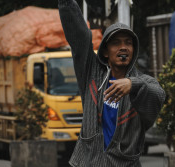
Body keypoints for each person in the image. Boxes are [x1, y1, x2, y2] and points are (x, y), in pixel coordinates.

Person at [58, 0, 165, 166]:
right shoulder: (91, 72)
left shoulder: (143, 82)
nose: (123, 47)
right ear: (106, 51)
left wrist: (132, 84)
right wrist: (66, 3)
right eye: (116, 43)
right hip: (87, 162)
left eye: (128, 43)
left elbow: (158, 94)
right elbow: (80, 36)